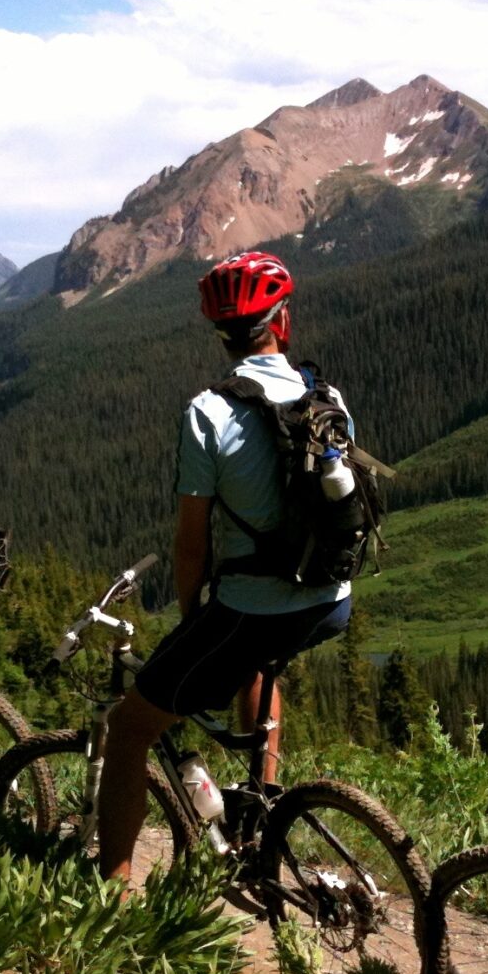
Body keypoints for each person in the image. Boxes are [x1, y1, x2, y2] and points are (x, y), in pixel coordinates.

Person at [96, 251, 353, 881]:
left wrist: (193, 621)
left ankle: (113, 895)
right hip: (331, 597)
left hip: (250, 609)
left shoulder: (207, 412)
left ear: (221, 334)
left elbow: (192, 543)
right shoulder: (328, 397)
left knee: (127, 730)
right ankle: (261, 811)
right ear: (281, 322)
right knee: (258, 664)